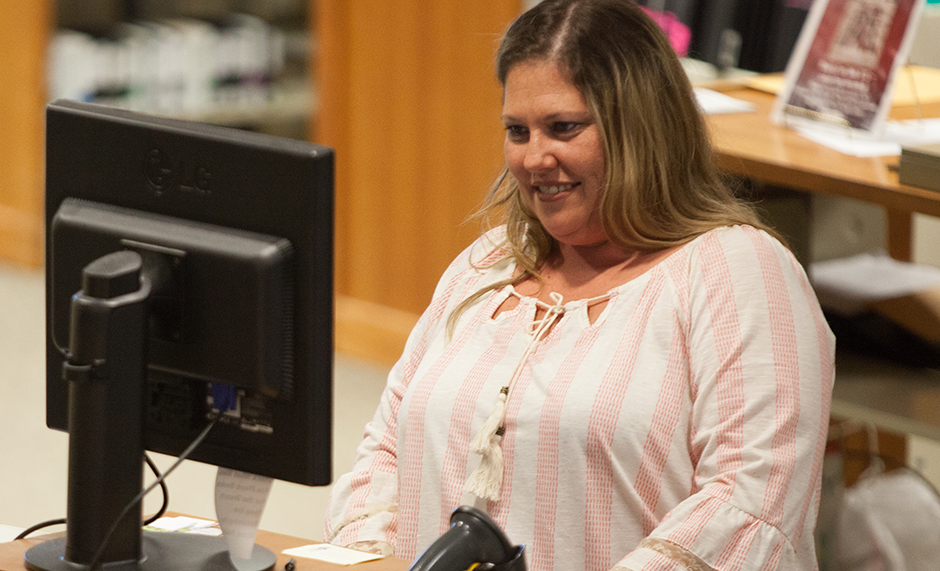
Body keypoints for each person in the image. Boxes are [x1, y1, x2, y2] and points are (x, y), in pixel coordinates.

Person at [323, 0, 836, 569]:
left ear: (640, 127)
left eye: (563, 128)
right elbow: (386, 451)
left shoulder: (741, 273)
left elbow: (748, 507)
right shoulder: (488, 265)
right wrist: (369, 559)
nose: (534, 157)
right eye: (517, 130)